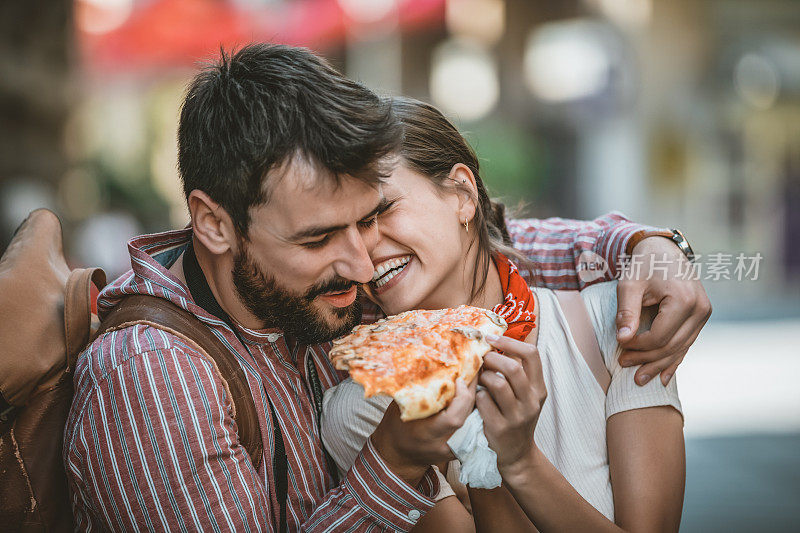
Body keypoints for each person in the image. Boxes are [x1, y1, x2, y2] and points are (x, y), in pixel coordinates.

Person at [63, 45, 708, 532]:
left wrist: (644, 247)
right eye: (319, 238)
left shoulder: (315, 294)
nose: (360, 262)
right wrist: (393, 465)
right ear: (214, 224)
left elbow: (487, 253)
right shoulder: (153, 378)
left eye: (368, 219)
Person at [321, 97, 689, 532]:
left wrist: (521, 460)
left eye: (380, 211)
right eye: (337, 231)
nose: (362, 251)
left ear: (461, 194)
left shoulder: (620, 322)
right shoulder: (365, 412)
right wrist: (484, 458)